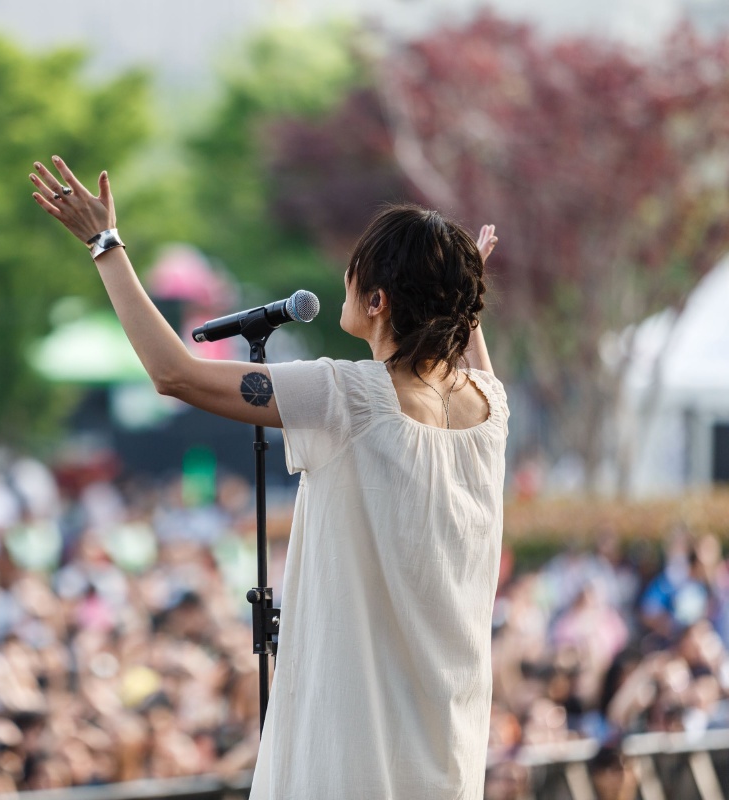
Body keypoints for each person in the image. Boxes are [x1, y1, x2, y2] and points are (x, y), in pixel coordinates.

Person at [31, 156, 508, 798]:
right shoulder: (490, 405)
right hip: (448, 746)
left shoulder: (348, 395)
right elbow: (468, 354)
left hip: (358, 752)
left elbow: (175, 373)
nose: (343, 281)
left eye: (354, 273)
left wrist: (104, 243)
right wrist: (459, 289)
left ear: (377, 301)